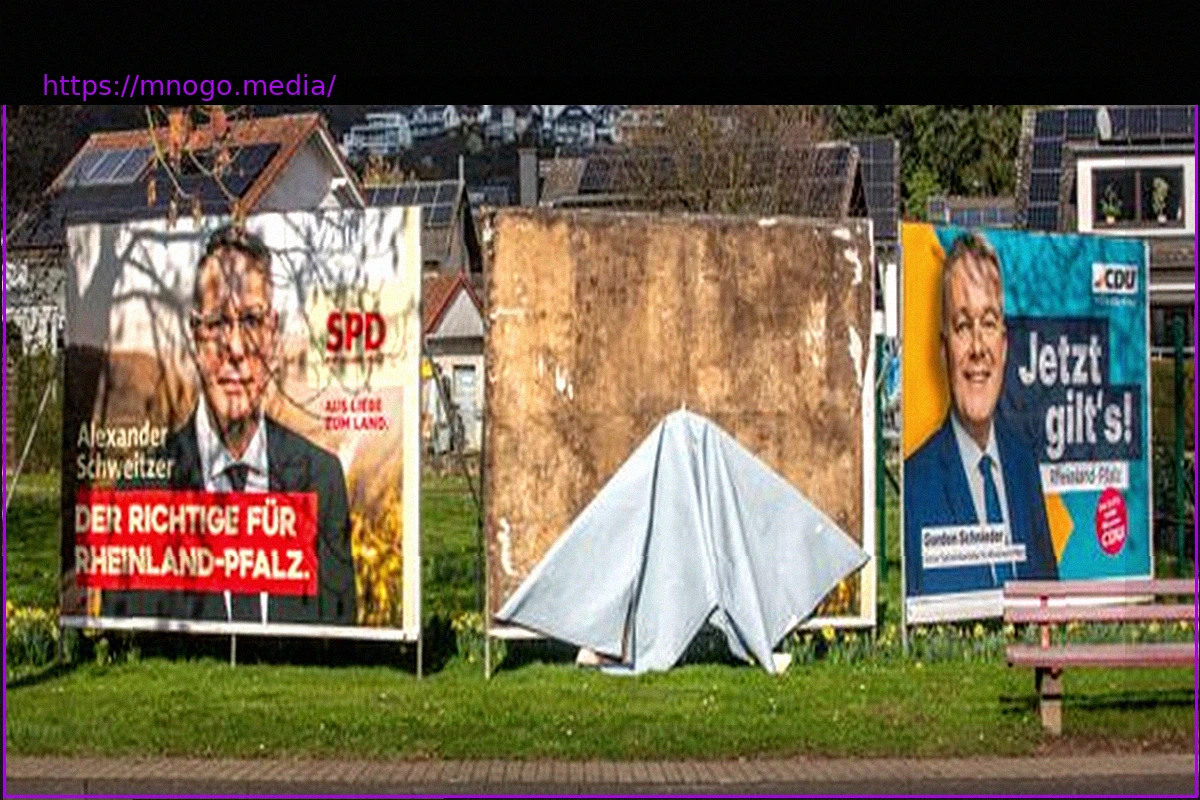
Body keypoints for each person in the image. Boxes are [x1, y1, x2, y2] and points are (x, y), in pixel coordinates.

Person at [101, 225, 356, 624]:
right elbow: (125, 644)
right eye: (218, 323)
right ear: (195, 338)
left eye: (252, 321)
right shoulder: (140, 494)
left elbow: (341, 637)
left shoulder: (320, 480)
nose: (236, 348)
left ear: (273, 336)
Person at [904, 233, 1058, 598]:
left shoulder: (1024, 463)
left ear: (1003, 346)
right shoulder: (914, 484)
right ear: (943, 349)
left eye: (988, 324)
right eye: (962, 326)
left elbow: (1050, 598)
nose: (977, 348)